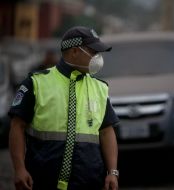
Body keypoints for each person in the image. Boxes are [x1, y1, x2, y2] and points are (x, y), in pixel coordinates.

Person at [8, 26, 120, 190]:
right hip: (42, 182)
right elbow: (17, 126)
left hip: (90, 182)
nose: (98, 58)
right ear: (75, 51)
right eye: (93, 52)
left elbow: (106, 132)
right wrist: (19, 169)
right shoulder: (36, 83)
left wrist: (113, 172)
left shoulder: (100, 88)